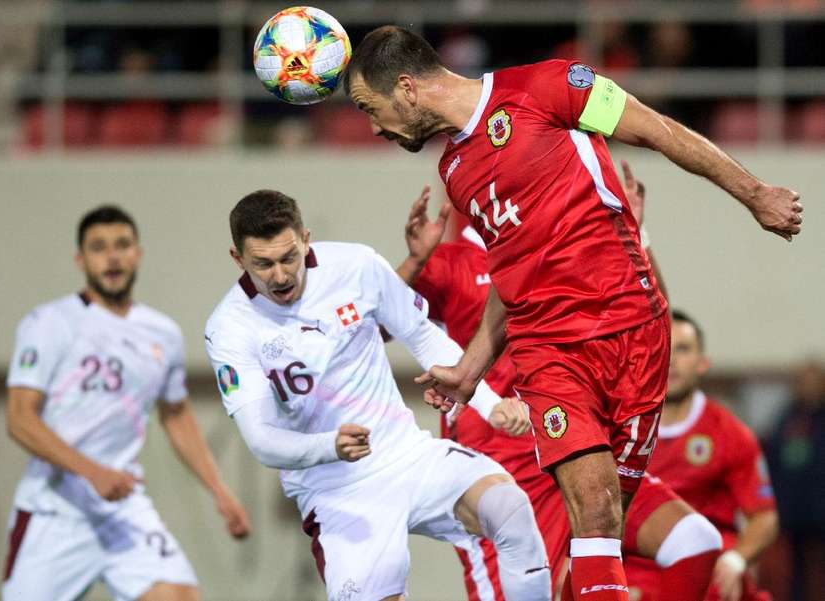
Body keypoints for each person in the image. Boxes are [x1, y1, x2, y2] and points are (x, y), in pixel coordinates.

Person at [344, 25, 802, 601]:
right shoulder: (455, 174)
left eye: (370, 107)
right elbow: (511, 277)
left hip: (634, 329)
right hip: (549, 351)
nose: (372, 125)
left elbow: (656, 129)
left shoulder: (548, 86)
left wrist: (753, 193)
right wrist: (471, 369)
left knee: (604, 535)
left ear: (406, 89)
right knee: (596, 510)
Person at [204, 190, 551, 601]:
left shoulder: (357, 265)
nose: (280, 276)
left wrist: (489, 405)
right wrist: (328, 446)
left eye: (289, 257)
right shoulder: (228, 329)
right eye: (263, 264)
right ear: (237, 258)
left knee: (508, 509)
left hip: (405, 452)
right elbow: (261, 438)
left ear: (306, 238)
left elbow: (422, 335)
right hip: (334, 490)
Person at [396, 165, 721, 601]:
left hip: (578, 438)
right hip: (503, 463)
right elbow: (377, 323)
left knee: (693, 541)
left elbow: (653, 310)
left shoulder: (567, 245)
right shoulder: (453, 261)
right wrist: (416, 262)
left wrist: (635, 233)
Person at [3, 206, 250, 601]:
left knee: (181, 596)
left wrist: (219, 490)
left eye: (122, 245)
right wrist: (92, 472)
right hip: (55, 510)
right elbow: (19, 419)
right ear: (80, 260)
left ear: (138, 254)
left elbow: (177, 414)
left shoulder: (162, 333)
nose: (113, 256)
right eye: (99, 248)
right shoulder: (49, 323)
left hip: (122, 508)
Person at [624, 311, 779, 601]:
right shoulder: (622, 429)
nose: (671, 360)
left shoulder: (729, 434)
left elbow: (764, 517)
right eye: (665, 347)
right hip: (637, 566)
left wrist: (737, 560)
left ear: (702, 363)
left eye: (683, 349)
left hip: (709, 568)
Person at [767, 360, 825, 601]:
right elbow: (773, 460)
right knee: (795, 568)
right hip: (794, 507)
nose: (807, 387)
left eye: (812, 381)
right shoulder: (787, 417)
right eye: (802, 381)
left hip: (820, 502)